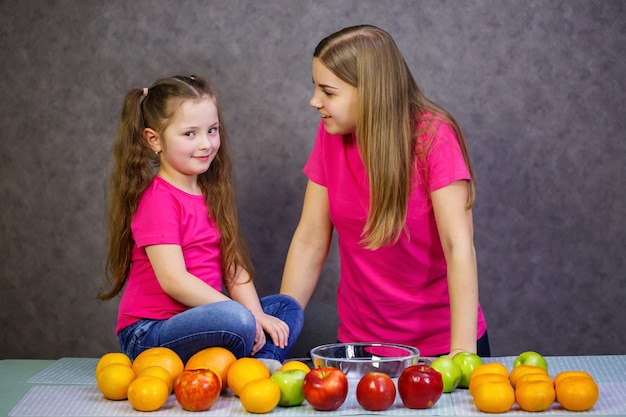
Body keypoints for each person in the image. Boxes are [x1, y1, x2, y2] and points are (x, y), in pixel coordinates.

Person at [280, 25, 489, 358]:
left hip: (440, 349)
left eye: (328, 92)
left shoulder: (435, 137)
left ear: (371, 92)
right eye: (315, 87)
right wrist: (281, 333)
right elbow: (310, 239)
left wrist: (462, 354)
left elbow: (458, 246)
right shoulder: (331, 133)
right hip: (360, 347)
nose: (314, 101)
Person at [98, 75, 303, 370]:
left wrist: (256, 312)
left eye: (212, 130)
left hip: (207, 318)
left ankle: (259, 365)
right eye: (190, 134)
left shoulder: (211, 193)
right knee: (236, 318)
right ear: (154, 139)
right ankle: (245, 356)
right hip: (150, 333)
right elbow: (174, 280)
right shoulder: (158, 200)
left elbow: (233, 265)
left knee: (285, 307)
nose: (206, 144)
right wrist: (238, 312)